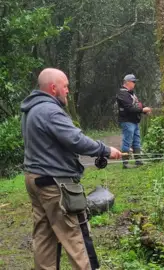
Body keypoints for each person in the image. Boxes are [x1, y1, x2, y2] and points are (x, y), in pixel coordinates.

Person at [20, 67, 122, 269]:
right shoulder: (50, 110)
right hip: (55, 184)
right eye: (65, 86)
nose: (68, 90)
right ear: (53, 88)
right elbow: (75, 140)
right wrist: (104, 150)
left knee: (45, 237)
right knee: (77, 235)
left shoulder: (31, 110)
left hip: (35, 180)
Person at [116, 74, 151, 168]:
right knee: (127, 141)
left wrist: (144, 109)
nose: (134, 84)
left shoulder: (131, 93)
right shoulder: (122, 93)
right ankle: (125, 163)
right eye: (133, 82)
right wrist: (143, 110)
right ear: (127, 82)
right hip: (127, 121)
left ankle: (138, 161)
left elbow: (137, 105)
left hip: (134, 121)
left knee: (136, 141)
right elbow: (129, 108)